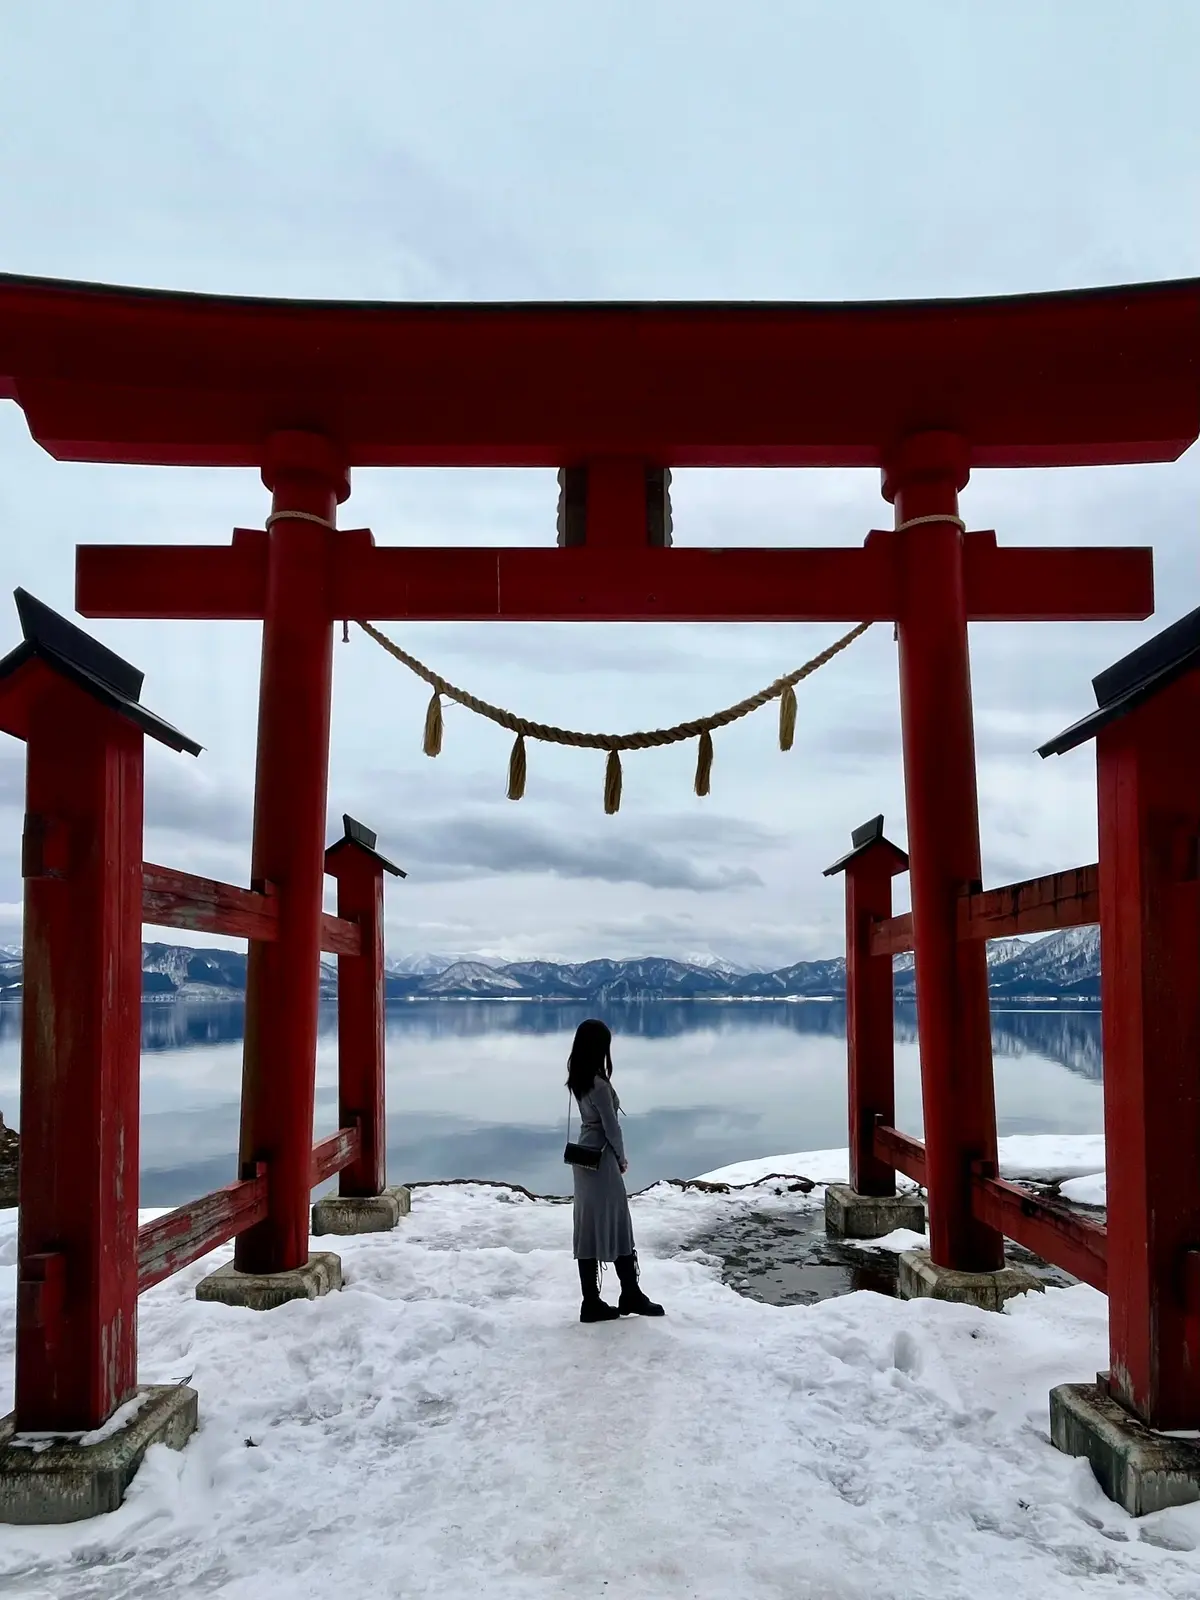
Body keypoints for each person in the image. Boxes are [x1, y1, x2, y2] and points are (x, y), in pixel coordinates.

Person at [566, 1018, 664, 1324]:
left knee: (588, 1227)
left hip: (584, 1160)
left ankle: (591, 1301)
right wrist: (621, 1158)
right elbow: (611, 1127)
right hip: (602, 1160)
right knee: (619, 1223)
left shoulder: (579, 1079)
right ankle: (629, 1292)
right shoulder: (598, 1083)